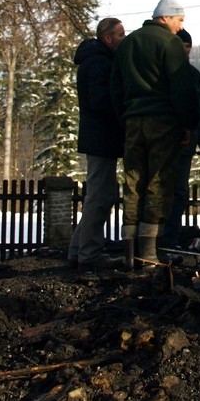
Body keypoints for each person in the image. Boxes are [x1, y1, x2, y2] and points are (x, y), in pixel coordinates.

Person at [110, 0, 200, 267]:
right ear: (166, 17)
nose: (180, 27)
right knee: (158, 183)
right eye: (179, 20)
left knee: (132, 181)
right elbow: (181, 88)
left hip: (132, 121)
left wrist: (123, 119)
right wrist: (187, 124)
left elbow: (116, 87)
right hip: (163, 122)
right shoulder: (169, 43)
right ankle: (149, 253)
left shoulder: (128, 43)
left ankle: (129, 250)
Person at [68, 17, 126, 271]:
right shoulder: (100, 64)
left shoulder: (96, 61)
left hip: (99, 138)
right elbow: (101, 102)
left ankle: (78, 247)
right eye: (121, 35)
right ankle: (90, 252)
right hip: (102, 138)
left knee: (99, 193)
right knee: (100, 196)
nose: (124, 39)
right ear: (108, 38)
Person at [161, 27, 200, 249]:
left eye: (188, 47)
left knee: (178, 191)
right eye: (183, 47)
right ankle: (160, 237)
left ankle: (168, 237)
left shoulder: (193, 75)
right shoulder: (167, 74)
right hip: (167, 141)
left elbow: (199, 108)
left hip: (182, 143)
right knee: (165, 190)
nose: (186, 51)